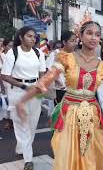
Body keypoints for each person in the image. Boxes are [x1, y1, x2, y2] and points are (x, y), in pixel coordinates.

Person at [15, 21, 103, 170]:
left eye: (97, 34)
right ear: (80, 36)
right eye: (89, 33)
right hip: (68, 115)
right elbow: (44, 82)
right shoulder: (67, 58)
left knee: (89, 156)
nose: (93, 38)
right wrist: (22, 101)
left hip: (92, 117)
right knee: (68, 156)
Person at [1, 26, 46, 170]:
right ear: (21, 37)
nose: (33, 39)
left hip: (35, 91)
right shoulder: (13, 53)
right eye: (29, 36)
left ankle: (22, 147)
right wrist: (24, 87)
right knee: (22, 124)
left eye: (34, 36)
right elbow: (5, 76)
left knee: (32, 124)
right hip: (18, 92)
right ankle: (28, 159)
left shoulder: (39, 53)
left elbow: (42, 73)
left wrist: (41, 86)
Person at [46, 31, 77, 105]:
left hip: (73, 91)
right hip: (60, 90)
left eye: (75, 41)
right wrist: (56, 80)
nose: (74, 43)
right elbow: (47, 71)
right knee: (60, 114)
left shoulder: (75, 55)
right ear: (64, 42)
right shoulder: (55, 54)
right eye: (72, 41)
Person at [0, 39, 14, 130]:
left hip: (14, 82)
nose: (11, 48)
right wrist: (1, 85)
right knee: (5, 104)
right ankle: (8, 121)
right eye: (9, 46)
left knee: (13, 103)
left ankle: (13, 121)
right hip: (4, 83)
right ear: (4, 47)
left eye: (12, 46)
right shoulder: (1, 56)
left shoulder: (14, 55)